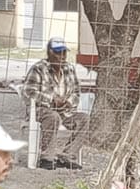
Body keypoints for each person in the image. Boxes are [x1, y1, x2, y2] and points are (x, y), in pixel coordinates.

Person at [21, 36, 89, 170]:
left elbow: (76, 92)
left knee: (84, 118)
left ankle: (67, 156)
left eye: (64, 52)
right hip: (42, 110)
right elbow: (28, 92)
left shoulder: (69, 69)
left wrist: (69, 102)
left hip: (65, 111)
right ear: (50, 53)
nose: (62, 56)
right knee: (53, 116)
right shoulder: (39, 69)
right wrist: (51, 100)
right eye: (58, 53)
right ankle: (47, 157)